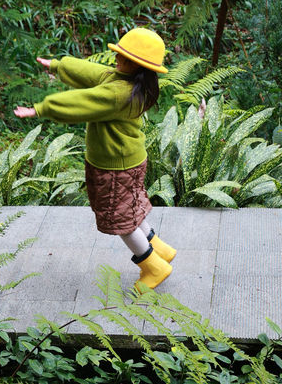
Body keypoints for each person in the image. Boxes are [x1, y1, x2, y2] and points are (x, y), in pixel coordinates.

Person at [13, 27, 176, 291]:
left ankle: (154, 267)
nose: (116, 58)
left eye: (121, 56)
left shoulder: (116, 94)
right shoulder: (134, 84)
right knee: (131, 208)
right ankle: (159, 248)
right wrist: (57, 66)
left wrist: (41, 109)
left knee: (121, 221)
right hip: (131, 161)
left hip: (115, 168)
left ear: (135, 65)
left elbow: (83, 101)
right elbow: (93, 73)